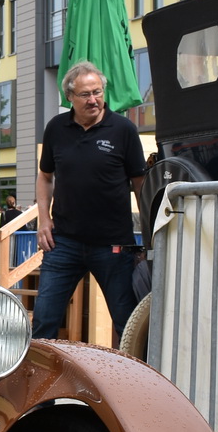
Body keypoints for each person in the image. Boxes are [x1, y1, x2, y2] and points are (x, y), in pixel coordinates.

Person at [33, 60, 146, 342]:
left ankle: (133, 382)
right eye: (85, 94)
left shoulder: (123, 130)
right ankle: (35, 382)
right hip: (63, 243)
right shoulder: (56, 128)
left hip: (113, 245)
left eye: (98, 92)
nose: (94, 100)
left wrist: (150, 229)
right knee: (44, 319)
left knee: (126, 321)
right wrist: (44, 220)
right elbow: (45, 176)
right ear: (69, 97)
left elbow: (140, 183)